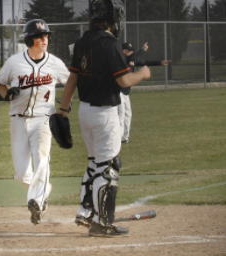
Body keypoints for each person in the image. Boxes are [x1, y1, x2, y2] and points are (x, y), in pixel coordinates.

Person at [57, 0, 151, 237]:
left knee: (95, 162)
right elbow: (123, 81)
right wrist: (142, 74)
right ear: (114, 18)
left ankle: (86, 212)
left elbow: (72, 80)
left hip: (84, 112)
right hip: (105, 113)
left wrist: (62, 111)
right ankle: (102, 223)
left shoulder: (82, 41)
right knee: (108, 167)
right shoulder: (111, 44)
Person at [0, 19, 69, 225]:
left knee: (42, 159)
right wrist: (7, 93)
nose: (44, 39)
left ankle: (36, 200)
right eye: (39, 36)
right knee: (21, 173)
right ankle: (44, 189)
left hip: (44, 119)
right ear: (30, 39)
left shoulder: (54, 62)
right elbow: (0, 84)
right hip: (18, 120)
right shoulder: (14, 62)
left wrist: (65, 105)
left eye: (46, 36)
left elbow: (70, 81)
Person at [119, 42, 171, 143]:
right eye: (129, 51)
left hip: (125, 93)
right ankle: (118, 138)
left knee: (128, 114)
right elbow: (132, 57)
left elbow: (145, 62)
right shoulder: (120, 59)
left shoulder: (132, 58)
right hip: (118, 92)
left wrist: (160, 62)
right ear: (124, 51)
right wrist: (142, 50)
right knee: (120, 115)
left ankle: (125, 137)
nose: (131, 52)